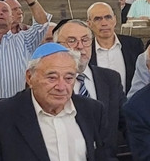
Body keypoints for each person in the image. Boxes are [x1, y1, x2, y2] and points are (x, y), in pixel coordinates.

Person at [0, 43, 123, 161]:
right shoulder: (0, 117)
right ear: (29, 78)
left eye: (69, 78)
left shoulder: (92, 111)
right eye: (52, 78)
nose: (61, 87)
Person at [53, 19, 125, 147]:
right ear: (57, 46)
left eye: (85, 40)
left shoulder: (111, 79)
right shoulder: (51, 84)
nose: (80, 46)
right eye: (72, 41)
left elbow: (126, 122)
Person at [0, 0, 52, 99]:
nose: (0, 12)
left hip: (16, 105)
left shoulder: (25, 40)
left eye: (5, 10)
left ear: (12, 18)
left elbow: (42, 25)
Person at [87, 2, 144, 93]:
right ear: (89, 24)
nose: (104, 23)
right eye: (98, 19)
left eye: (108, 17)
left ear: (115, 20)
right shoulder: (87, 50)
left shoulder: (134, 45)